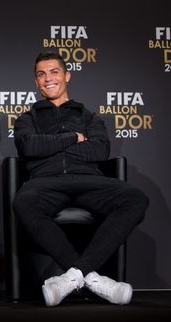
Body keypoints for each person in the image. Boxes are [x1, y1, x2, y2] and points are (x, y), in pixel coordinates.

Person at [12, 51, 148, 307]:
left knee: (135, 198)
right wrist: (73, 138)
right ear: (36, 82)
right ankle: (94, 279)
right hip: (46, 181)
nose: (48, 78)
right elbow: (29, 147)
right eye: (41, 74)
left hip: (88, 179)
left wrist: (50, 146)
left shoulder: (89, 117)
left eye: (54, 72)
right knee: (23, 201)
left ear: (67, 75)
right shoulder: (27, 119)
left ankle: (74, 276)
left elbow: (99, 150)